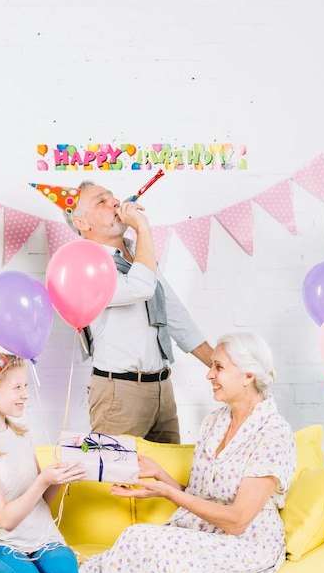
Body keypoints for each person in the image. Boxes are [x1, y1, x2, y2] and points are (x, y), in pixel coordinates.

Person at [77, 331, 297, 573]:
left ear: (248, 376)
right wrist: (160, 476)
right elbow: (200, 498)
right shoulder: (214, 422)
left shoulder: (273, 433)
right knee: (110, 559)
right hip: (204, 532)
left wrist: (167, 492)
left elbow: (238, 520)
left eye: (219, 367)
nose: (209, 374)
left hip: (245, 544)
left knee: (144, 541)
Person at [31, 180, 213, 444]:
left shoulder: (138, 255)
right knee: (115, 480)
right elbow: (140, 287)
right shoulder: (84, 265)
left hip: (162, 387)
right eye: (101, 202)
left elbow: (173, 313)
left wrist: (219, 363)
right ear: (83, 224)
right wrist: (143, 228)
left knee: (166, 478)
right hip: (118, 394)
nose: (115, 202)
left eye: (112, 197)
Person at [0, 331, 87, 573]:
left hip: (44, 537)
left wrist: (61, 477)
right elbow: (6, 519)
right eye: (17, 388)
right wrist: (43, 480)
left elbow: (41, 502)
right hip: (3, 543)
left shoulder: (22, 434)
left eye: (25, 386)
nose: (25, 395)